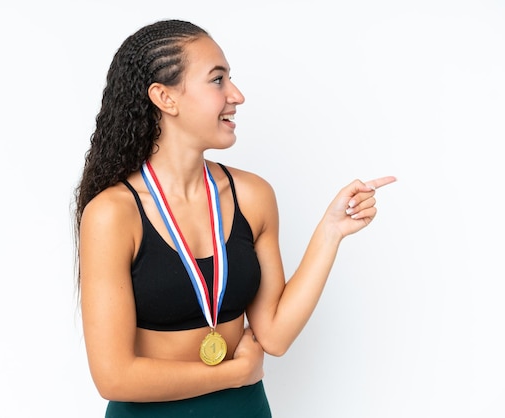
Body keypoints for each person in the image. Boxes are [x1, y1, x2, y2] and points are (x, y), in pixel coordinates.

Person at [74, 19, 396, 418]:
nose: (236, 95)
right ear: (164, 98)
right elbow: (114, 377)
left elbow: (274, 335)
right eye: (217, 80)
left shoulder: (252, 196)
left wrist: (330, 233)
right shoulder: (112, 214)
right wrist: (234, 373)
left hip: (244, 408)